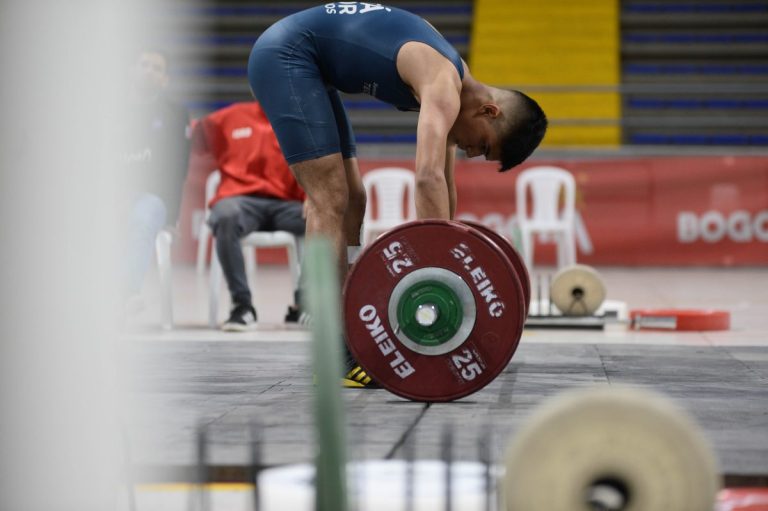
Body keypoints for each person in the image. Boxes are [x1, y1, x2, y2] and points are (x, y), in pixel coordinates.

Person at [247, 3, 547, 386]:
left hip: (311, 65)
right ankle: (330, 346)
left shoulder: (455, 88)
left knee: (355, 199)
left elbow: (444, 184)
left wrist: (450, 256)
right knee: (331, 198)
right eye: (484, 147)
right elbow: (425, 178)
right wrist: (437, 270)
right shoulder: (443, 83)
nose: (473, 153)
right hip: (285, 55)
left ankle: (347, 317)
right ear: (489, 111)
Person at [196, 102, 306, 331]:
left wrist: (314, 200)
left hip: (286, 204)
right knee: (225, 215)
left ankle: (305, 304)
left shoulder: (300, 120)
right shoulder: (229, 116)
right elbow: (189, 138)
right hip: (240, 201)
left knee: (325, 216)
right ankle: (242, 306)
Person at [121, 47, 190, 314]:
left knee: (143, 217)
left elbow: (178, 168)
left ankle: (126, 295)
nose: (149, 71)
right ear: (131, 70)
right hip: (109, 194)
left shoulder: (175, 114)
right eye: (144, 64)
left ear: (165, 79)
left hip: (151, 197)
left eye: (157, 68)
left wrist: (171, 217)